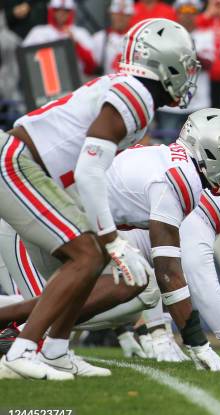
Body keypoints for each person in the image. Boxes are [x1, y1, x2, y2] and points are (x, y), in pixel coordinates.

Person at [0, 18, 199, 381]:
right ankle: (22, 349)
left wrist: (107, 241)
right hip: (18, 162)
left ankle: (57, 351)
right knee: (90, 254)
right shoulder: (136, 94)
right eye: (185, 65)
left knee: (95, 260)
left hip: (31, 168)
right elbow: (89, 171)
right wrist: (112, 239)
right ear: (164, 62)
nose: (188, 75)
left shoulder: (134, 94)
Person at [0, 114, 220, 372]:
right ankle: (29, 337)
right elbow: (170, 271)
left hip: (62, 224)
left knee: (130, 279)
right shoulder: (181, 179)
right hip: (37, 217)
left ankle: (52, 346)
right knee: (122, 280)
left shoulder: (172, 163)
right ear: (211, 151)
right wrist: (200, 343)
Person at [157, 0, 214, 136]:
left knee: (196, 148)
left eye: (192, 12)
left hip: (198, 103)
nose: (188, 16)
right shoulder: (165, 35)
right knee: (168, 146)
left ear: (197, 15)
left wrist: (187, 50)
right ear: (178, 14)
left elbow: (208, 64)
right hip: (170, 103)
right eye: (184, 11)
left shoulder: (206, 35)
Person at [22, 0, 97, 76]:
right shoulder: (38, 31)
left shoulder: (81, 33)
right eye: (57, 10)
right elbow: (24, 59)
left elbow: (92, 66)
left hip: (75, 82)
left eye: (66, 10)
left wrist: (76, 45)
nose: (61, 13)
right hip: (45, 80)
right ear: (51, 10)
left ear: (71, 12)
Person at [92, 0, 135, 75]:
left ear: (131, 16)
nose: (120, 18)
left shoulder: (137, 40)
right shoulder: (99, 38)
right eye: (117, 14)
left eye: (125, 15)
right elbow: (89, 69)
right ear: (111, 14)